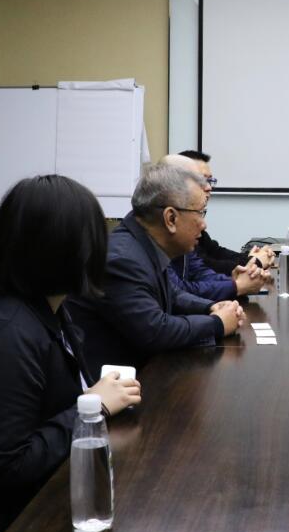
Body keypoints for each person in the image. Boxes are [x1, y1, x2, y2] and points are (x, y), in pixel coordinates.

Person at [0, 175, 141, 532]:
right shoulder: (5, 332)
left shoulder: (47, 308)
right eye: (94, 236)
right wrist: (93, 406)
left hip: (45, 489)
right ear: (65, 250)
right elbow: (9, 467)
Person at [68, 162, 246, 373]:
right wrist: (216, 324)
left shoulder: (143, 242)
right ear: (170, 218)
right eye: (200, 213)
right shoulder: (122, 259)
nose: (203, 224)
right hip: (116, 382)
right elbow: (155, 331)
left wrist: (210, 307)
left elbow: (171, 293)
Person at [163, 154, 271, 300]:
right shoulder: (149, 241)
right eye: (201, 180)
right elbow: (177, 293)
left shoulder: (183, 226)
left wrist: (235, 281)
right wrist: (237, 284)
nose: (208, 187)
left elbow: (200, 270)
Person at [178, 150, 275, 274]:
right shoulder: (179, 219)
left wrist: (252, 258)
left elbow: (216, 252)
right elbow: (205, 267)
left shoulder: (193, 216)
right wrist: (254, 261)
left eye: (210, 181)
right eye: (202, 180)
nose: (209, 187)